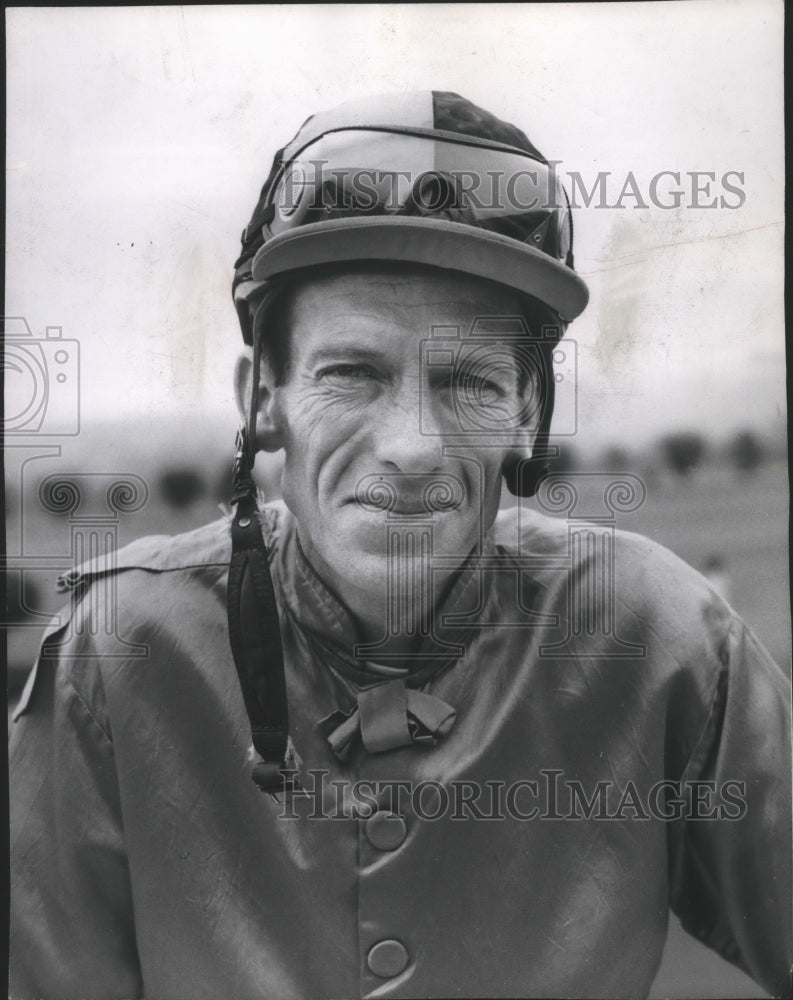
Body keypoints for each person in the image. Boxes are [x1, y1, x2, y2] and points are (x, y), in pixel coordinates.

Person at [9, 91, 791, 1000]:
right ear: (262, 399)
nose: (411, 445)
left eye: (467, 380)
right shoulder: (117, 653)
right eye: (351, 373)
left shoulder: (659, 635)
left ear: (526, 413)